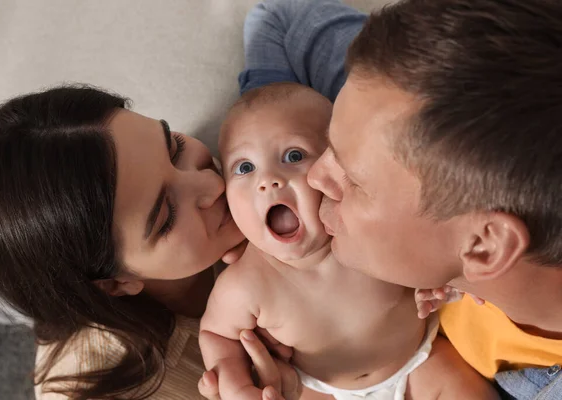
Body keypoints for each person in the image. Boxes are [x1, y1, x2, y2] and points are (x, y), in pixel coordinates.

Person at [202, 0, 562, 399]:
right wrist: (265, 134)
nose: (316, 178)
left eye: (352, 179)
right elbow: (279, 14)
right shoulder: (401, 85)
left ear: (482, 246)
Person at [0, 85, 300, 400]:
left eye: (175, 148)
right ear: (117, 282)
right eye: (166, 217)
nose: (211, 185)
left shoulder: (247, 147)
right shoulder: (101, 388)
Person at [200, 81, 497, 400]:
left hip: (418, 361)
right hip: (320, 388)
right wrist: (234, 380)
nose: (267, 180)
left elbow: (428, 257)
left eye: (293, 155)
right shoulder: (244, 285)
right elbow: (216, 335)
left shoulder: (371, 231)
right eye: (244, 167)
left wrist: (443, 284)